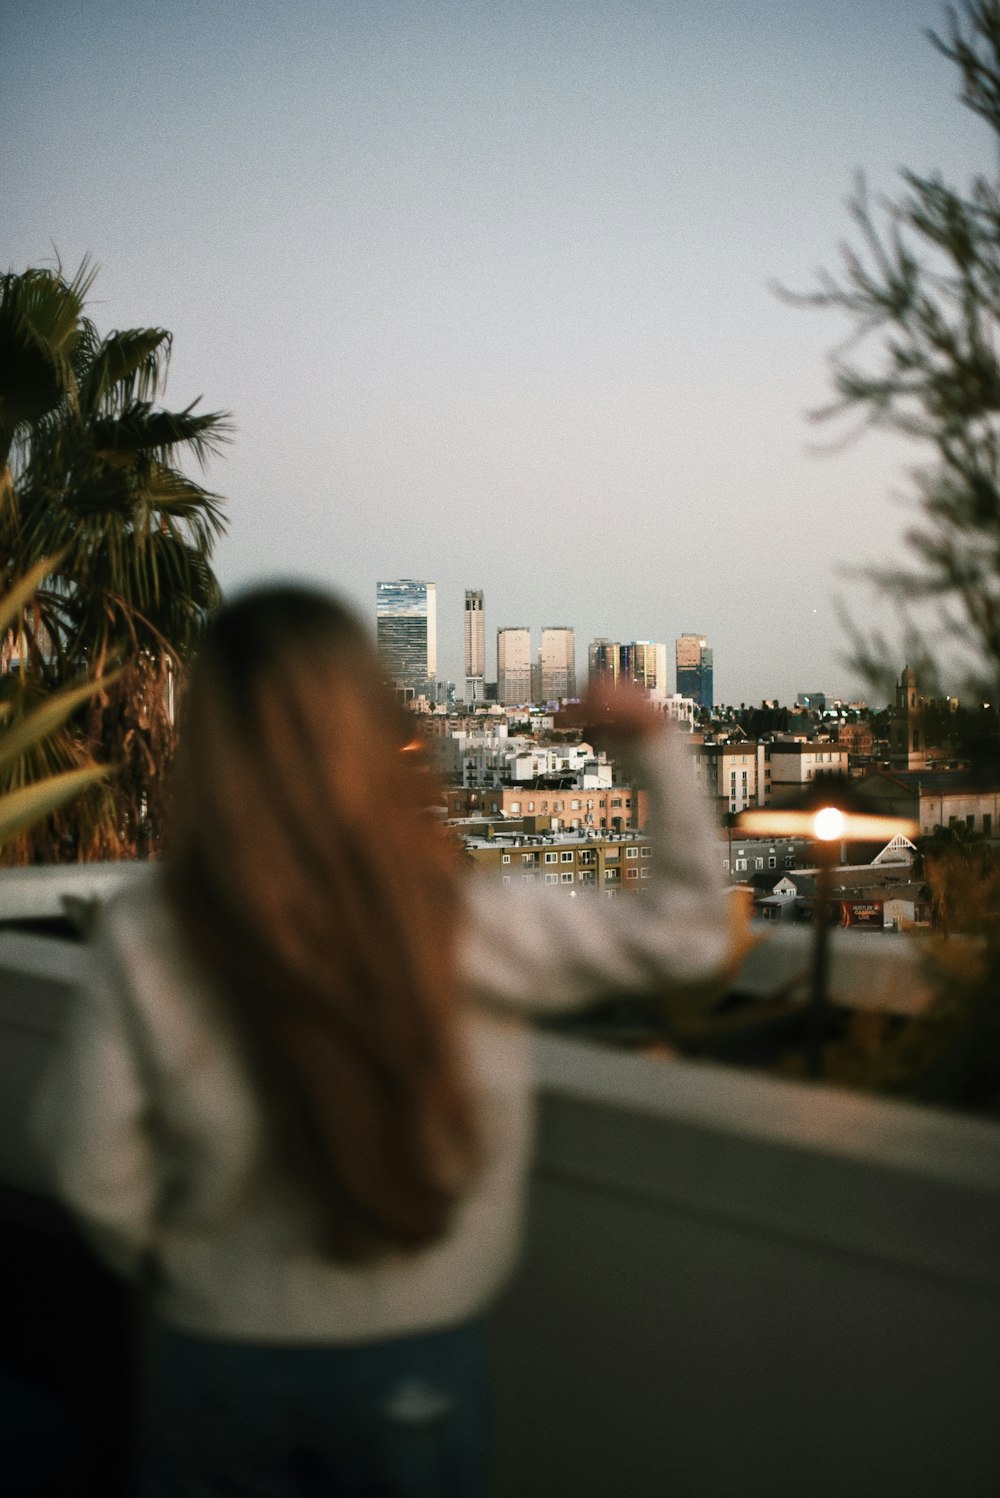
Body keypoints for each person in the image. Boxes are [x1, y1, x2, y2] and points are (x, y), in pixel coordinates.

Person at [32, 584, 736, 1497]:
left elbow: (86, 1157)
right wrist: (653, 747)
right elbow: (689, 936)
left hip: (217, 1353)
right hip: (416, 1357)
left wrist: (184, 1265)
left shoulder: (150, 933)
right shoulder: (463, 923)